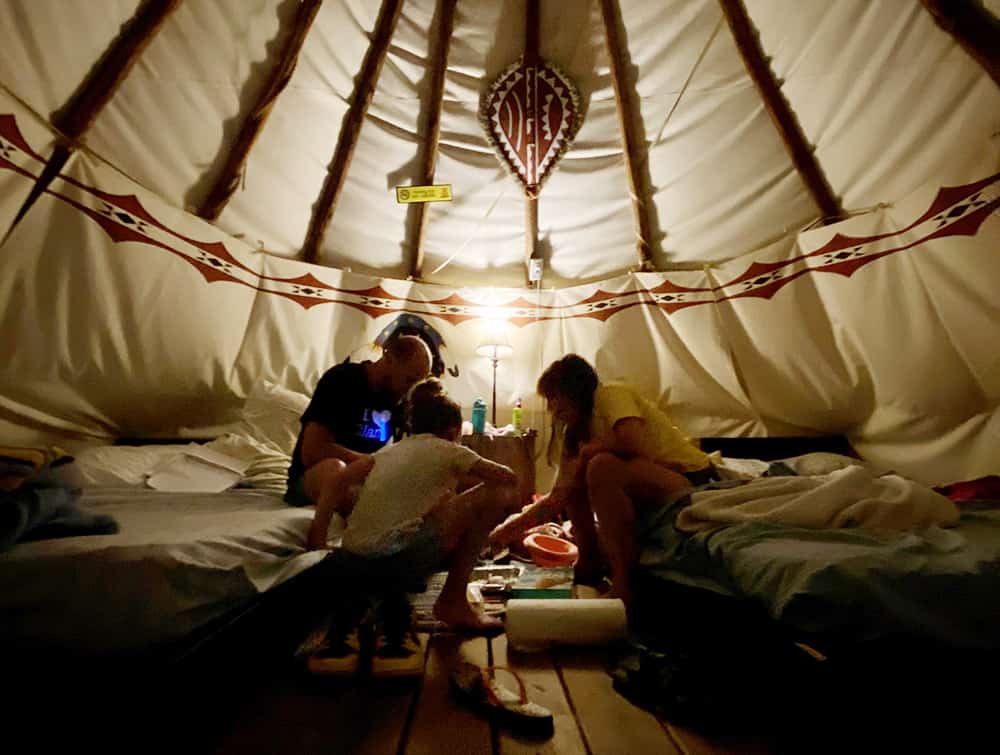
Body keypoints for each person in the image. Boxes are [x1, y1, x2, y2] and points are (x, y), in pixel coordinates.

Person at [489, 354, 717, 606]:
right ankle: (589, 561)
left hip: (691, 477)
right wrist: (504, 531)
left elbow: (633, 442)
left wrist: (589, 452)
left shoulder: (610, 395)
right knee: (578, 476)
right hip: (652, 481)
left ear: (574, 389)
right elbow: (557, 498)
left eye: (555, 396)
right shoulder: (575, 433)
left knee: (600, 465)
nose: (552, 407)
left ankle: (623, 584)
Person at [308, 377, 518, 632]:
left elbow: (335, 482)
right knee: (497, 493)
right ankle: (453, 602)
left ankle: (378, 598)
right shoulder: (449, 449)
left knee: (431, 513)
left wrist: (318, 541)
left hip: (352, 563)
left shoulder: (389, 451)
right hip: (394, 561)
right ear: (452, 432)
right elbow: (509, 478)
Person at [285, 334, 433, 508]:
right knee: (336, 470)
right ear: (388, 359)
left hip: (364, 481)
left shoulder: (401, 399)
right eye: (409, 380)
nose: (410, 389)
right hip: (313, 478)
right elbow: (313, 450)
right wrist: (372, 464)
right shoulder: (342, 380)